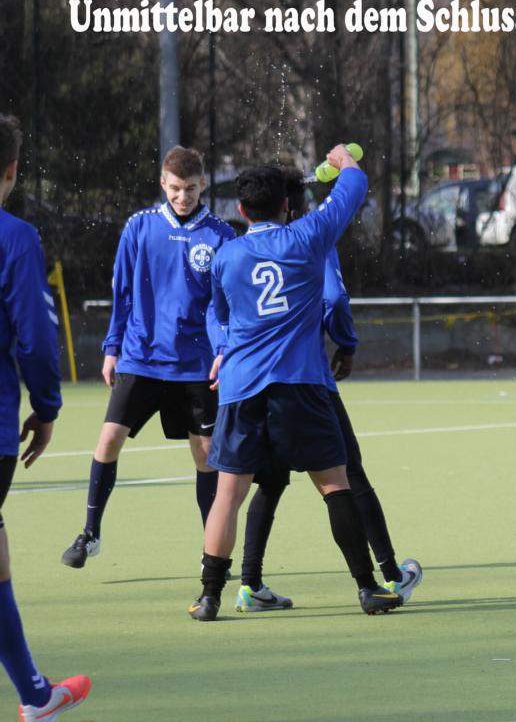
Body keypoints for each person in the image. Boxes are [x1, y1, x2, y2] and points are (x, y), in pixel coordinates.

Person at [189, 149, 400, 621]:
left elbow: (218, 317)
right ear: (287, 206)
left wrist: (223, 350)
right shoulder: (307, 236)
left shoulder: (226, 256)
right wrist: (344, 161)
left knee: (228, 496)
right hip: (299, 384)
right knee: (335, 486)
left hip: (241, 389)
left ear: (242, 210)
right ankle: (368, 589)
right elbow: (354, 188)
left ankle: (210, 597)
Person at [234, 167, 422, 613]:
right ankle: (388, 575)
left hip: (253, 382)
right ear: (291, 207)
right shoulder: (310, 239)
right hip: (307, 378)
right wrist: (346, 343)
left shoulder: (239, 251)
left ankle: (249, 582)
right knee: (347, 474)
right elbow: (334, 298)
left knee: (269, 482)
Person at [60, 146, 235, 569]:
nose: (182, 196)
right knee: (108, 440)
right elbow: (122, 293)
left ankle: (210, 550)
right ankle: (90, 533)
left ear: (203, 184)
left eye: (190, 188)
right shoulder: (139, 226)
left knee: (205, 454)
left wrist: (224, 349)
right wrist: (112, 348)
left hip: (195, 364)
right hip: (141, 357)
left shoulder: (221, 235)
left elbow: (225, 305)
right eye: (174, 188)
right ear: (162, 183)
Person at [0, 113, 91, 720]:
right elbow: (33, 336)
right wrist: (47, 406)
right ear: (11, 170)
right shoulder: (15, 237)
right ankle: (36, 697)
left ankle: (36, 695)